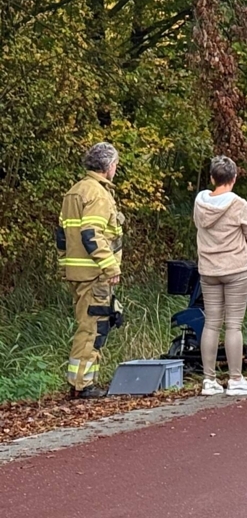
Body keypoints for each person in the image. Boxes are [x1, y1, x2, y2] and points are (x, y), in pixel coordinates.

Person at [57, 142, 125, 399]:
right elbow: (91, 234)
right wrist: (110, 266)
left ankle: (83, 381)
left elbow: (61, 236)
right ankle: (83, 384)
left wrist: (65, 264)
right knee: (93, 329)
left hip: (77, 273)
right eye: (115, 165)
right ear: (108, 166)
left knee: (88, 326)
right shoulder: (98, 194)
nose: (115, 169)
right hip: (95, 274)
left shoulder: (73, 192)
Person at [193, 156, 247, 396]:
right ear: (234, 178)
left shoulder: (200, 202)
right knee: (233, 325)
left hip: (208, 270)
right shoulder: (238, 204)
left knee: (211, 323)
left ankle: (209, 380)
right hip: (235, 270)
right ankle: (235, 379)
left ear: (212, 178)